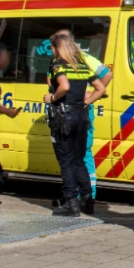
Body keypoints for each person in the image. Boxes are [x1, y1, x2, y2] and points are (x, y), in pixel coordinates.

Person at [44, 32, 104, 218]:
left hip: (64, 117)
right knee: (78, 159)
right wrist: (86, 102)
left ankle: (71, 203)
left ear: (57, 48)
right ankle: (87, 199)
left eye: (52, 48)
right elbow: (101, 88)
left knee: (66, 161)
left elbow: (64, 86)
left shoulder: (57, 65)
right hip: (81, 116)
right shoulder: (81, 66)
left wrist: (52, 97)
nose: (51, 51)